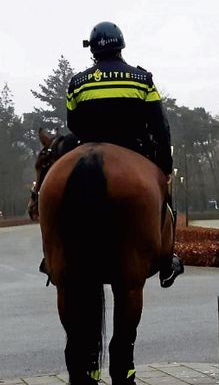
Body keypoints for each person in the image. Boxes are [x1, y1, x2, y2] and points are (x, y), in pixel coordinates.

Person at [65, 21, 183, 287]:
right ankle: (167, 261)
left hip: (88, 150)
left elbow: (73, 124)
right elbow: (160, 126)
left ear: (93, 50)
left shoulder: (77, 83)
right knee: (166, 200)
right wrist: (165, 168)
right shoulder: (142, 79)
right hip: (135, 151)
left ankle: (52, 259)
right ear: (121, 46)